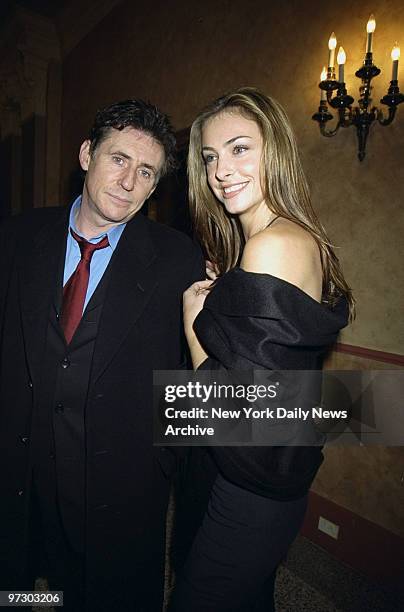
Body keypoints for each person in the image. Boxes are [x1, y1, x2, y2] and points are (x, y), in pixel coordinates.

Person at [0, 99, 204, 611]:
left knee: (101, 594)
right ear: (87, 154)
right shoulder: (17, 236)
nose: (129, 181)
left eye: (146, 172)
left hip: (117, 481)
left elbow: (193, 369)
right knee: (21, 590)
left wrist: (167, 459)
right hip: (20, 465)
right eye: (119, 159)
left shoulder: (178, 258)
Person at [170, 88, 354, 611]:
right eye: (209, 157)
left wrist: (193, 327)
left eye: (239, 148)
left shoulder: (270, 244)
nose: (221, 170)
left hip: (251, 488)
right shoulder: (293, 238)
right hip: (275, 477)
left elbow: (243, 417)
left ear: (275, 150)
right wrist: (231, 291)